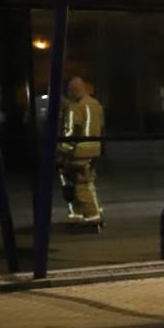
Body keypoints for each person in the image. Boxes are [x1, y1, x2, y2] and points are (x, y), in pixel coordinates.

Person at [58, 76, 105, 223]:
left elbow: (71, 132)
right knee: (89, 182)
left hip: (79, 153)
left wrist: (62, 151)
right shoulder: (96, 104)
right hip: (94, 150)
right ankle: (89, 212)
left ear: (72, 91)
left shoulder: (75, 108)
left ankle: (92, 216)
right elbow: (101, 127)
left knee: (80, 184)